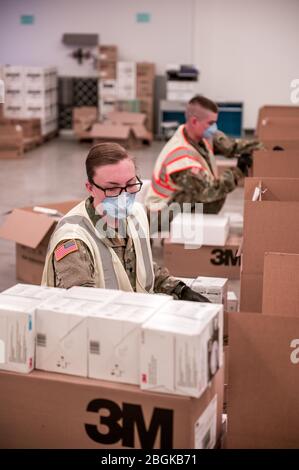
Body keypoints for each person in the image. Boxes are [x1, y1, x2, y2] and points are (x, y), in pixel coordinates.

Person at [42, 142, 209, 302]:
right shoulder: (75, 241)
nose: (124, 196)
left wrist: (180, 289)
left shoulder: (135, 213)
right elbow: (80, 307)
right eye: (112, 188)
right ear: (90, 188)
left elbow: (143, 267)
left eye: (130, 184)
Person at [145, 95, 261, 214]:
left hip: (173, 203)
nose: (214, 128)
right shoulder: (180, 158)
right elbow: (209, 190)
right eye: (211, 123)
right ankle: (185, 230)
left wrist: (262, 148)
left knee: (214, 193)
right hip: (160, 214)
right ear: (194, 121)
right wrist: (238, 171)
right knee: (212, 197)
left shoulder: (199, 135)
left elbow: (231, 146)